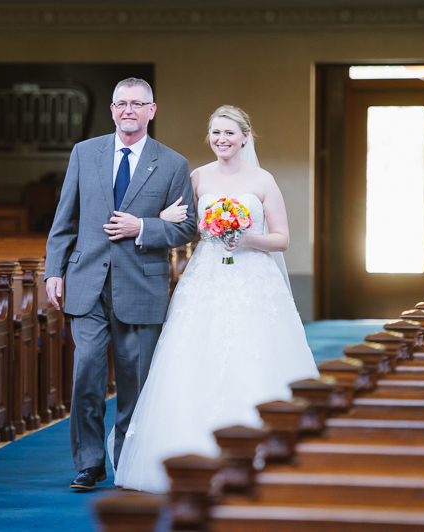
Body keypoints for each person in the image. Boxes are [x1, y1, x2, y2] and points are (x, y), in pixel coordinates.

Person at [112, 105, 319, 493]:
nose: (222, 139)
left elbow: (282, 238)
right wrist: (166, 217)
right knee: (193, 356)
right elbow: (185, 226)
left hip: (253, 278)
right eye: (215, 133)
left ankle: (262, 454)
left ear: (245, 137)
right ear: (209, 138)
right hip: (205, 276)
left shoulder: (263, 180)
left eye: (229, 133)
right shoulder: (196, 176)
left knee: (254, 355)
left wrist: (248, 239)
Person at [44, 78, 197, 490]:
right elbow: (65, 218)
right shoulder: (84, 152)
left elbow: (187, 227)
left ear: (152, 110)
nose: (128, 109)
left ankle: (127, 462)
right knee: (86, 374)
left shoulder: (172, 163)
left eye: (137, 103)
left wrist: (142, 226)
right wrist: (53, 270)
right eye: (121, 103)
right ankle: (89, 463)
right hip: (86, 280)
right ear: (112, 110)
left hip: (141, 284)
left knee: (135, 380)